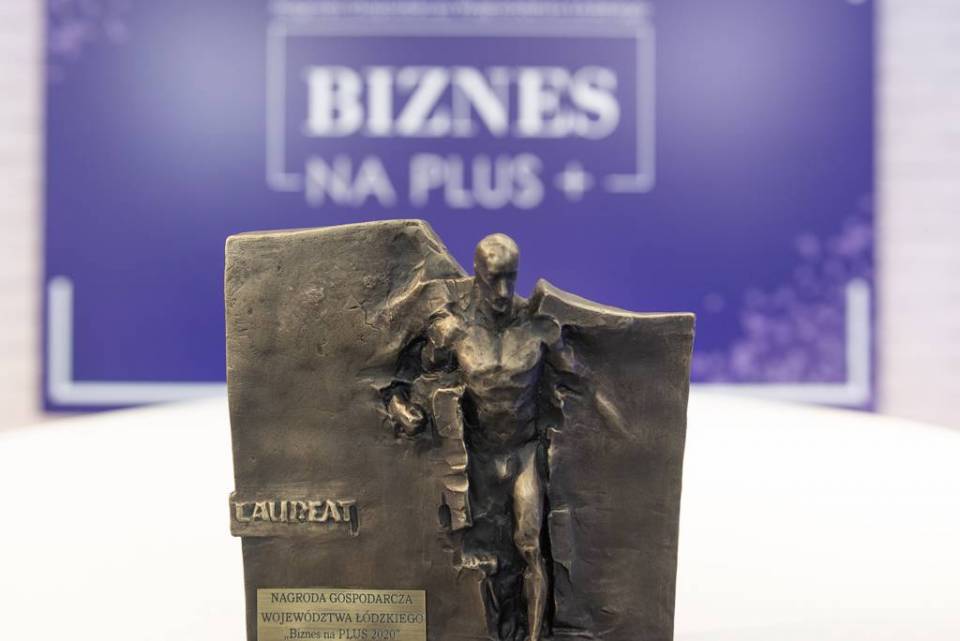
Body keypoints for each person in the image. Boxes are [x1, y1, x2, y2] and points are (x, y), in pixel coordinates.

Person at [387, 233, 580, 641]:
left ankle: (534, 635)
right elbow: (403, 378)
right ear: (477, 274)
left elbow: (578, 381)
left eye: (511, 277)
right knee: (484, 558)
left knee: (530, 546)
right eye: (494, 279)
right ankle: (493, 629)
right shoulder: (453, 330)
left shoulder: (540, 330)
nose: (504, 291)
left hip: (524, 454)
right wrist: (401, 407)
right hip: (475, 458)